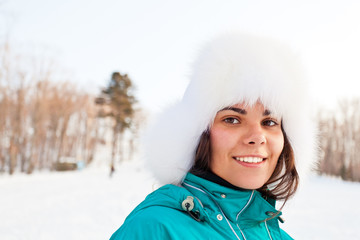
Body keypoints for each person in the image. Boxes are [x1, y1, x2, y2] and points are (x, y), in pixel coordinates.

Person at [110, 33, 317, 239]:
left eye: (269, 122)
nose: (257, 137)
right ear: (197, 135)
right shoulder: (154, 229)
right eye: (232, 119)